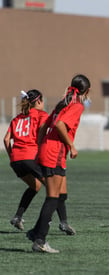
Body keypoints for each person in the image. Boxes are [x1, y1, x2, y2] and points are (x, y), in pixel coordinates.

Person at [27, 74, 90, 253]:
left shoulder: (63, 102)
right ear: (88, 91)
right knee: (53, 197)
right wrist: (72, 146)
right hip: (55, 152)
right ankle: (39, 240)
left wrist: (40, 146)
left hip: (50, 150)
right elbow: (60, 125)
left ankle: (34, 232)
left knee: (61, 195)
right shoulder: (77, 105)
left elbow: (44, 126)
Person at [4, 90, 75, 234]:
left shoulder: (17, 119)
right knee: (55, 189)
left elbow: (6, 140)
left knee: (35, 186)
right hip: (31, 157)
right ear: (38, 101)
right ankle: (63, 222)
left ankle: (18, 217)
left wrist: (12, 155)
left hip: (16, 161)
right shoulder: (42, 115)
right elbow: (42, 135)